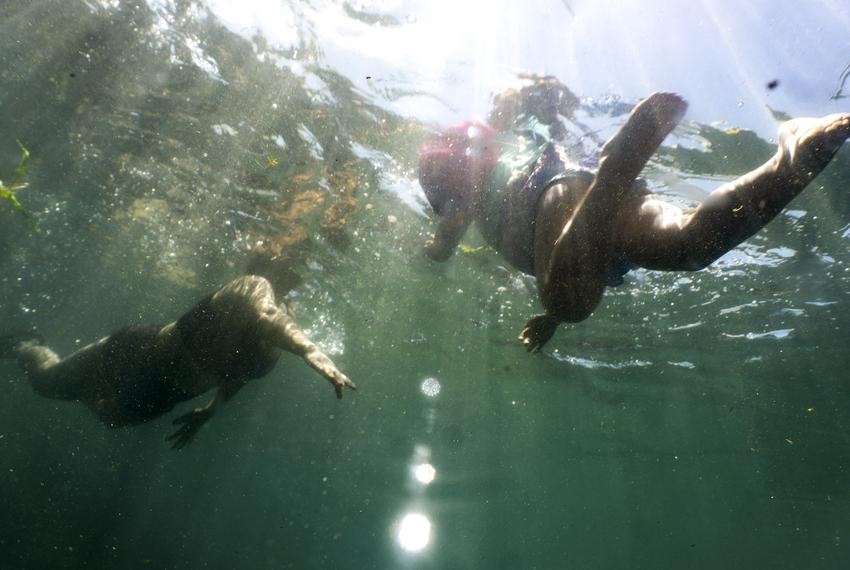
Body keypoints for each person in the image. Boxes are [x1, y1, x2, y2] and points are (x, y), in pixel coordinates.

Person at [419, 74, 850, 351]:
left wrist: (428, 247)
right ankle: (801, 152)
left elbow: (442, 246)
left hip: (548, 191)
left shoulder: (470, 184)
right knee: (689, 246)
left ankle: (614, 173)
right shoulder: (491, 161)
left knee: (570, 303)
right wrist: (551, 318)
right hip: (581, 199)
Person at [1, 275, 355, 448]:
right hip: (135, 354)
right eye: (287, 304)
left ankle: (83, 385)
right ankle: (28, 345)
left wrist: (210, 411)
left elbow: (235, 377)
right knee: (45, 383)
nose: (290, 310)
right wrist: (310, 351)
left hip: (162, 395)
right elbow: (268, 317)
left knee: (108, 416)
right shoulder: (249, 292)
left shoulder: (269, 358)